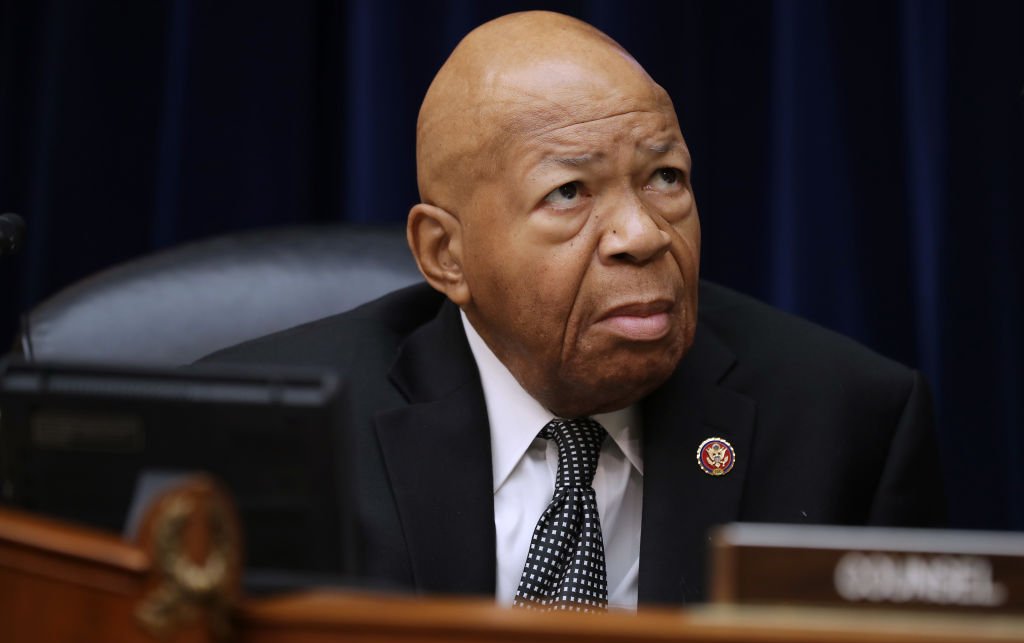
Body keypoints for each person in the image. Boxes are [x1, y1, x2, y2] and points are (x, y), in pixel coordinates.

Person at [205, 11, 944, 609]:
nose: (643, 235)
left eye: (664, 177)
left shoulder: (848, 424)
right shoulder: (271, 433)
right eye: (570, 192)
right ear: (445, 255)